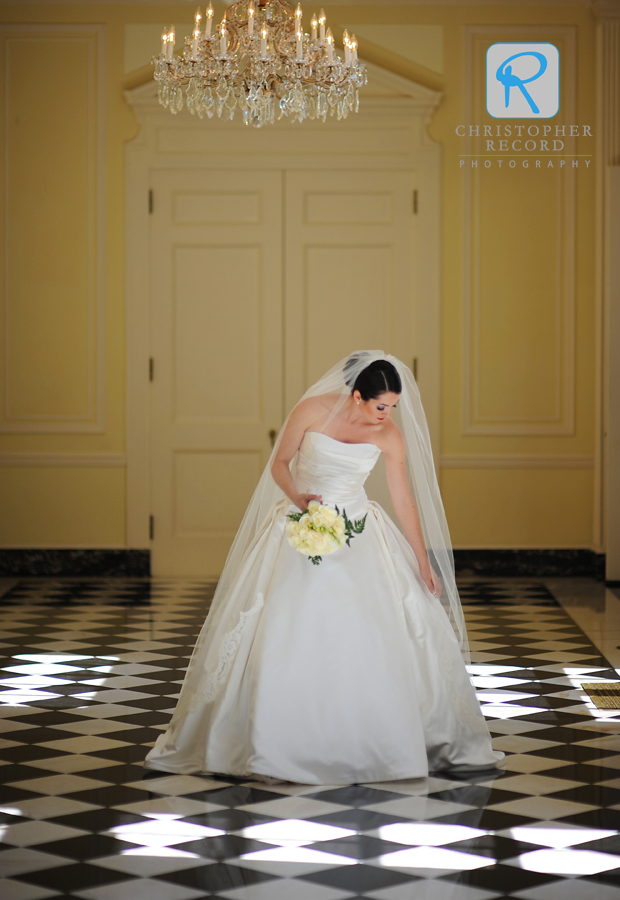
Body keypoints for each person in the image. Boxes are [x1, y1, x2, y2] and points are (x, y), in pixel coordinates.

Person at [145, 351, 504, 784]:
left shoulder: (389, 436)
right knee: (285, 626)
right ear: (356, 396)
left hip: (359, 531)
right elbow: (279, 464)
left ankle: (372, 739)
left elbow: (404, 501)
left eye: (392, 407)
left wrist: (423, 562)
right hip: (300, 524)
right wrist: (299, 500)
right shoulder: (311, 411)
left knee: (368, 633)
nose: (387, 415)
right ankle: (273, 742)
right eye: (381, 406)